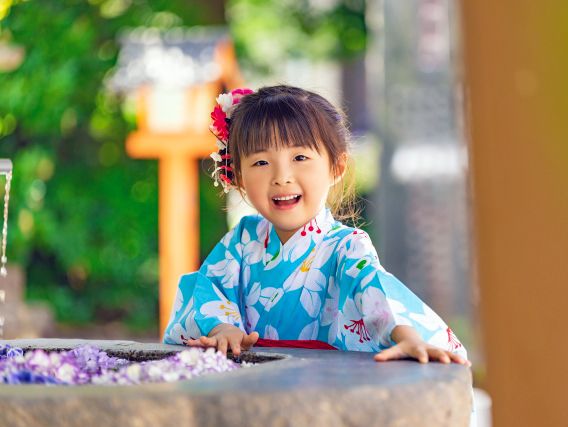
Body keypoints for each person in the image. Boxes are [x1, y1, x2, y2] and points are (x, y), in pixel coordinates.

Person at [162, 85, 470, 366]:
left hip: (321, 389)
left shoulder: (346, 247)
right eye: (260, 162)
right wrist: (223, 327)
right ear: (238, 175)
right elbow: (207, 288)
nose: (281, 177)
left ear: (336, 167)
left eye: (299, 157)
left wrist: (408, 338)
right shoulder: (242, 241)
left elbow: (374, 291)